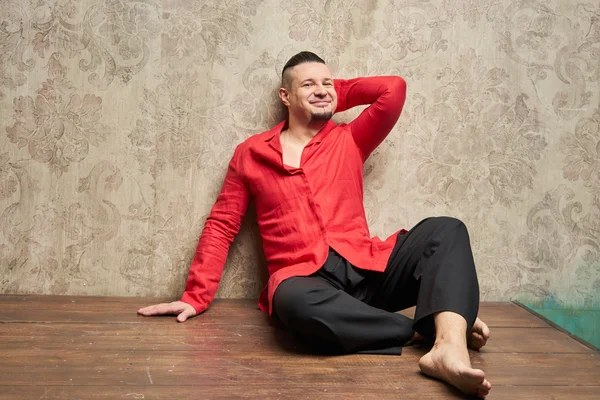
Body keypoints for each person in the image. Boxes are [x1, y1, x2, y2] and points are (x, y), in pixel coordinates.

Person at [138, 51, 492, 398]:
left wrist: (327, 91)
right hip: (307, 282)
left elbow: (393, 89)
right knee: (289, 302)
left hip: (368, 269)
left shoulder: (349, 138)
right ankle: (432, 328)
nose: (321, 89)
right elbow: (222, 224)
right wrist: (195, 297)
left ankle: (450, 349)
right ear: (285, 96)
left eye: (327, 83)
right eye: (308, 84)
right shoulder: (251, 153)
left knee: (446, 229)